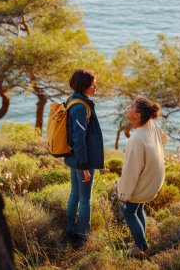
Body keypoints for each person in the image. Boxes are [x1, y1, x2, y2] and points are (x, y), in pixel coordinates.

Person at [117, 96, 167, 258]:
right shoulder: (151, 125)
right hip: (154, 180)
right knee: (138, 209)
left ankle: (141, 248)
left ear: (138, 115)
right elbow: (163, 139)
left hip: (143, 183)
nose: (128, 107)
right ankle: (139, 242)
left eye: (131, 106)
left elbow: (131, 172)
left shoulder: (136, 139)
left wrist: (123, 194)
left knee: (129, 212)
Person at [63, 69, 104, 247]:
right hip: (81, 159)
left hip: (74, 157)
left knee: (74, 193)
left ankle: (71, 229)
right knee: (85, 199)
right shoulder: (80, 108)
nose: (95, 86)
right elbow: (79, 139)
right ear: (84, 86)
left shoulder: (73, 99)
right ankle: (82, 235)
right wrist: (85, 166)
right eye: (92, 84)